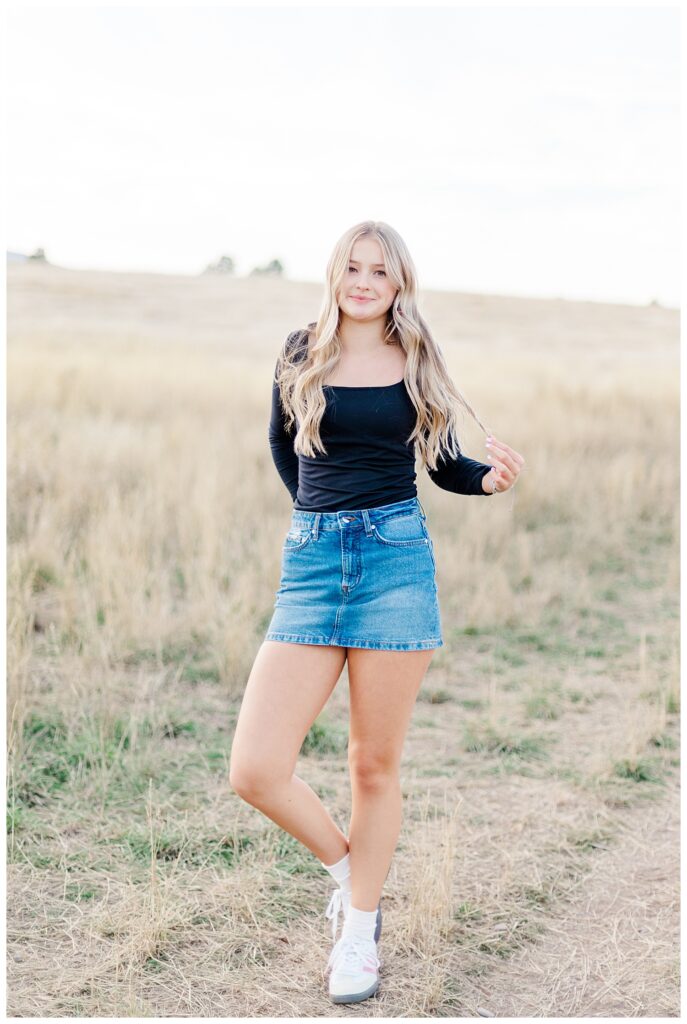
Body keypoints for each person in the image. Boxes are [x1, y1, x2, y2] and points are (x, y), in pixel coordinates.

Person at [229, 220, 524, 1005]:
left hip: (396, 560)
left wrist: (484, 481)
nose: (363, 282)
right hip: (314, 563)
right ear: (336, 274)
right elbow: (281, 445)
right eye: (353, 268)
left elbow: (438, 459)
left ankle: (358, 931)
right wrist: (319, 521)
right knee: (255, 769)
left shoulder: (416, 355)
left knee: (371, 763)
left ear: (398, 285)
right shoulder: (300, 351)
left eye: (379, 272)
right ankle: (348, 870)